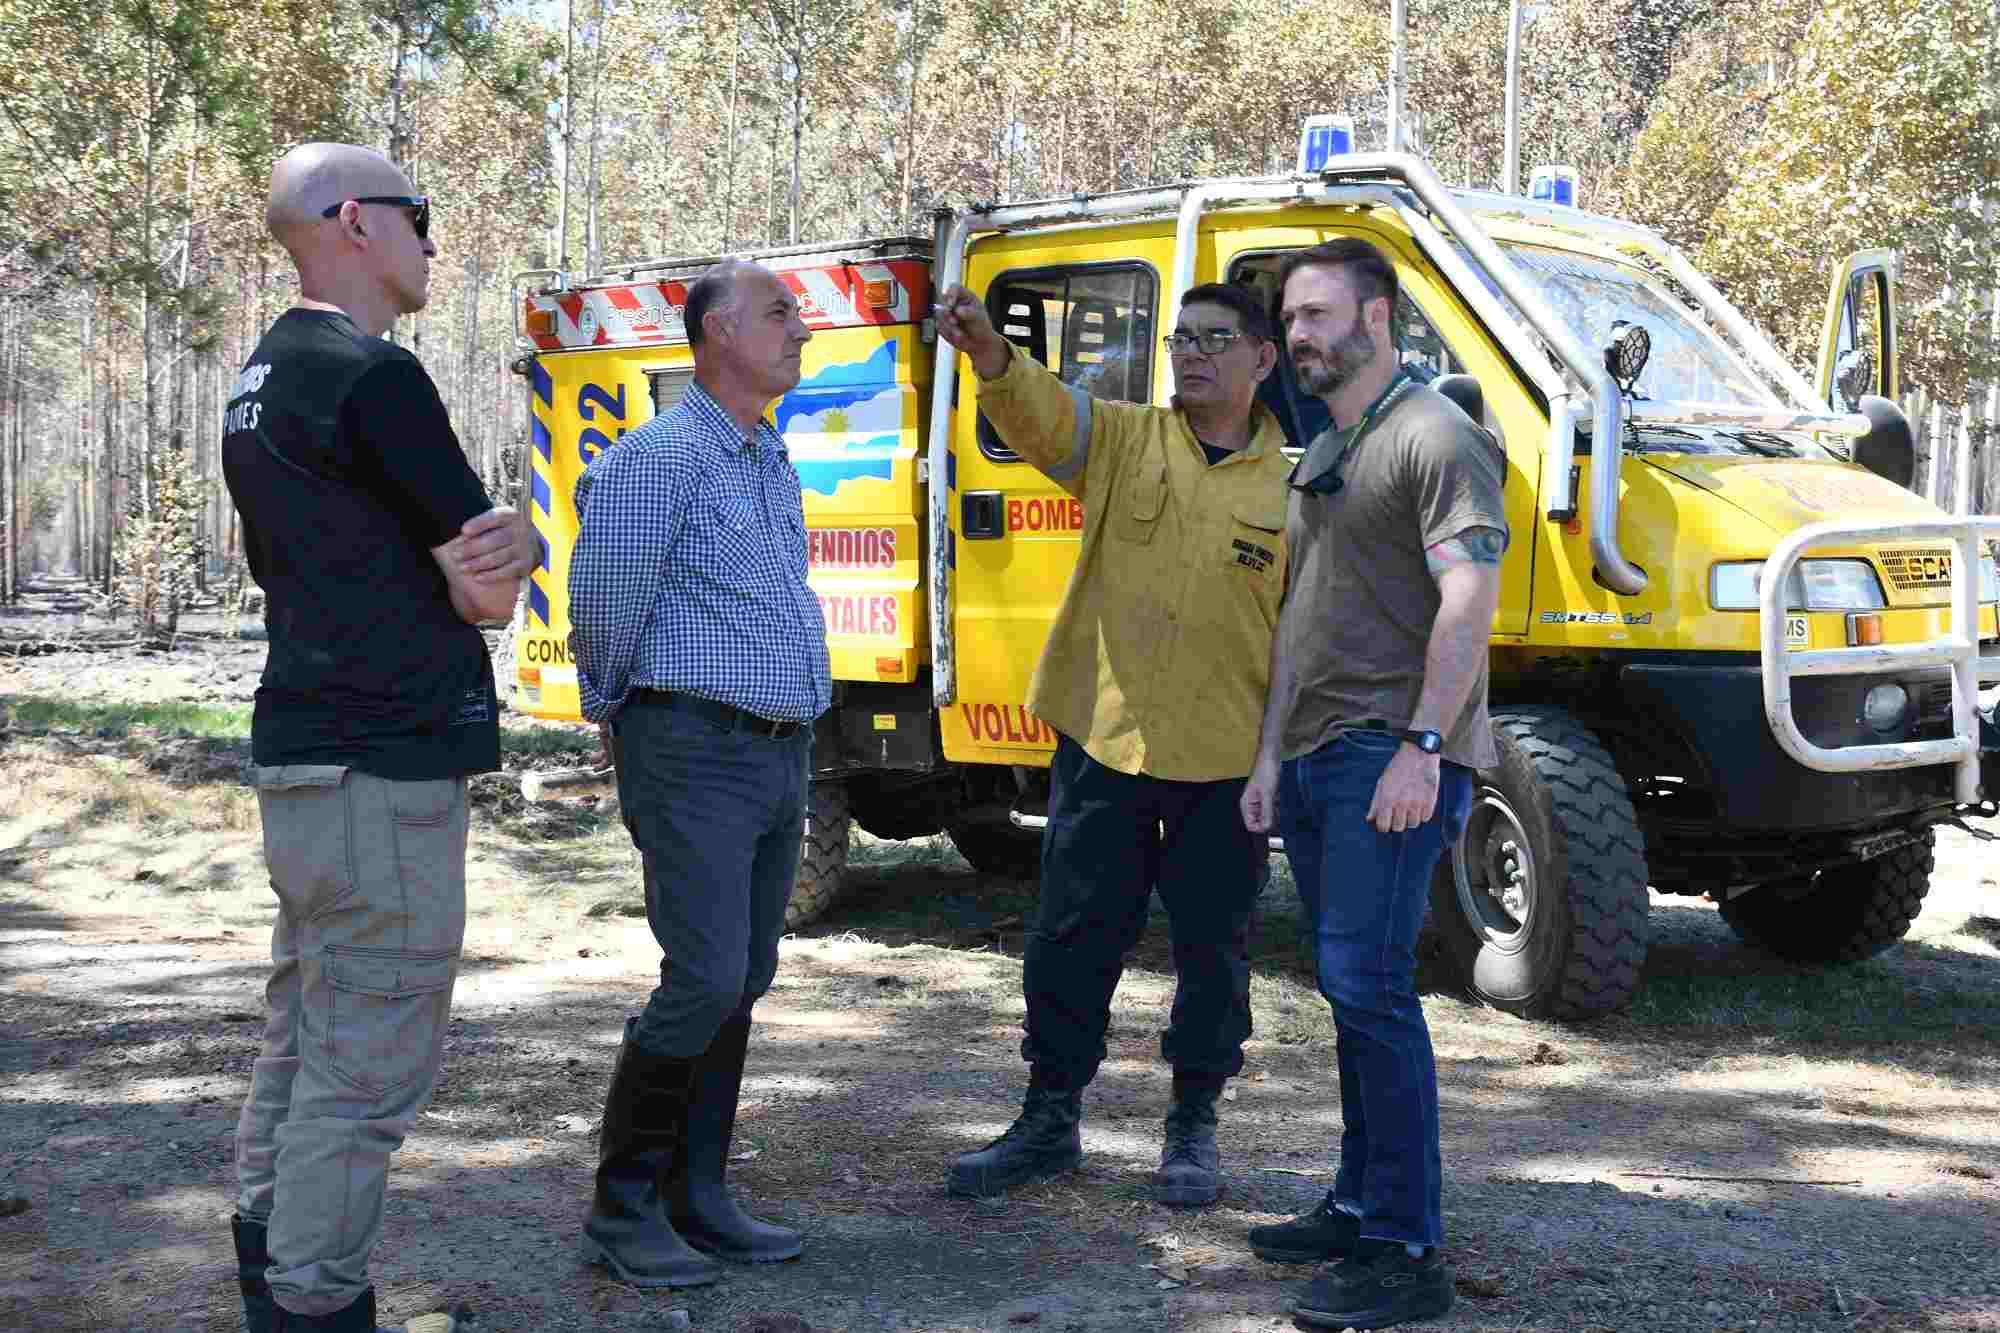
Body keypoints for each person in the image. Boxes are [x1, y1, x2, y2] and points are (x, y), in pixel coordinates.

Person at [222, 142, 536, 1333]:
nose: (432, 241)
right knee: (363, 1077)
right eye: (420, 215)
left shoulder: (263, 375)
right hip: (383, 765)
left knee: (304, 1040)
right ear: (357, 221)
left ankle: (274, 1275)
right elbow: (488, 589)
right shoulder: (371, 375)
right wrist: (510, 550)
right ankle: (314, 1304)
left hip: (304, 755)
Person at [933, 280, 1292, 1207]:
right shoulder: (1126, 440)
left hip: (1225, 761)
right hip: (1106, 740)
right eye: (1182, 337)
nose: (1193, 353)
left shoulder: (1293, 490)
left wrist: (1276, 761)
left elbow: (1300, 639)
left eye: (1217, 339)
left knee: (1216, 952)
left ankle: (1192, 1126)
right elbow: (1044, 415)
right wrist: (990, 356)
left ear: (1263, 359)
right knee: (1070, 937)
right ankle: (1049, 1116)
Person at [1240, 238, 1508, 1331]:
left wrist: (1423, 746)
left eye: (1315, 313)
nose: (1297, 334)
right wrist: (1266, 756)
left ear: (1377, 315)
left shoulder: (1433, 435)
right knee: (1348, 995)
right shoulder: (1331, 444)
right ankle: (1358, 1204)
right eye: (1290, 319)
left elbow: (1466, 600)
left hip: (1384, 756)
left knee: (1373, 993)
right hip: (1313, 756)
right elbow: (1300, 615)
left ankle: (1405, 1250)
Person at [566, 258, 829, 1288]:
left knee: (745, 977)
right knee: (705, 976)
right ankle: (620, 1206)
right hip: (691, 747)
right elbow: (603, 605)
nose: (797, 328)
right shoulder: (659, 458)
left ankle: (697, 1195)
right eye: (777, 313)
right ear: (717, 333)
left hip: (777, 750)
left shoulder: (768, 457)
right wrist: (618, 721)